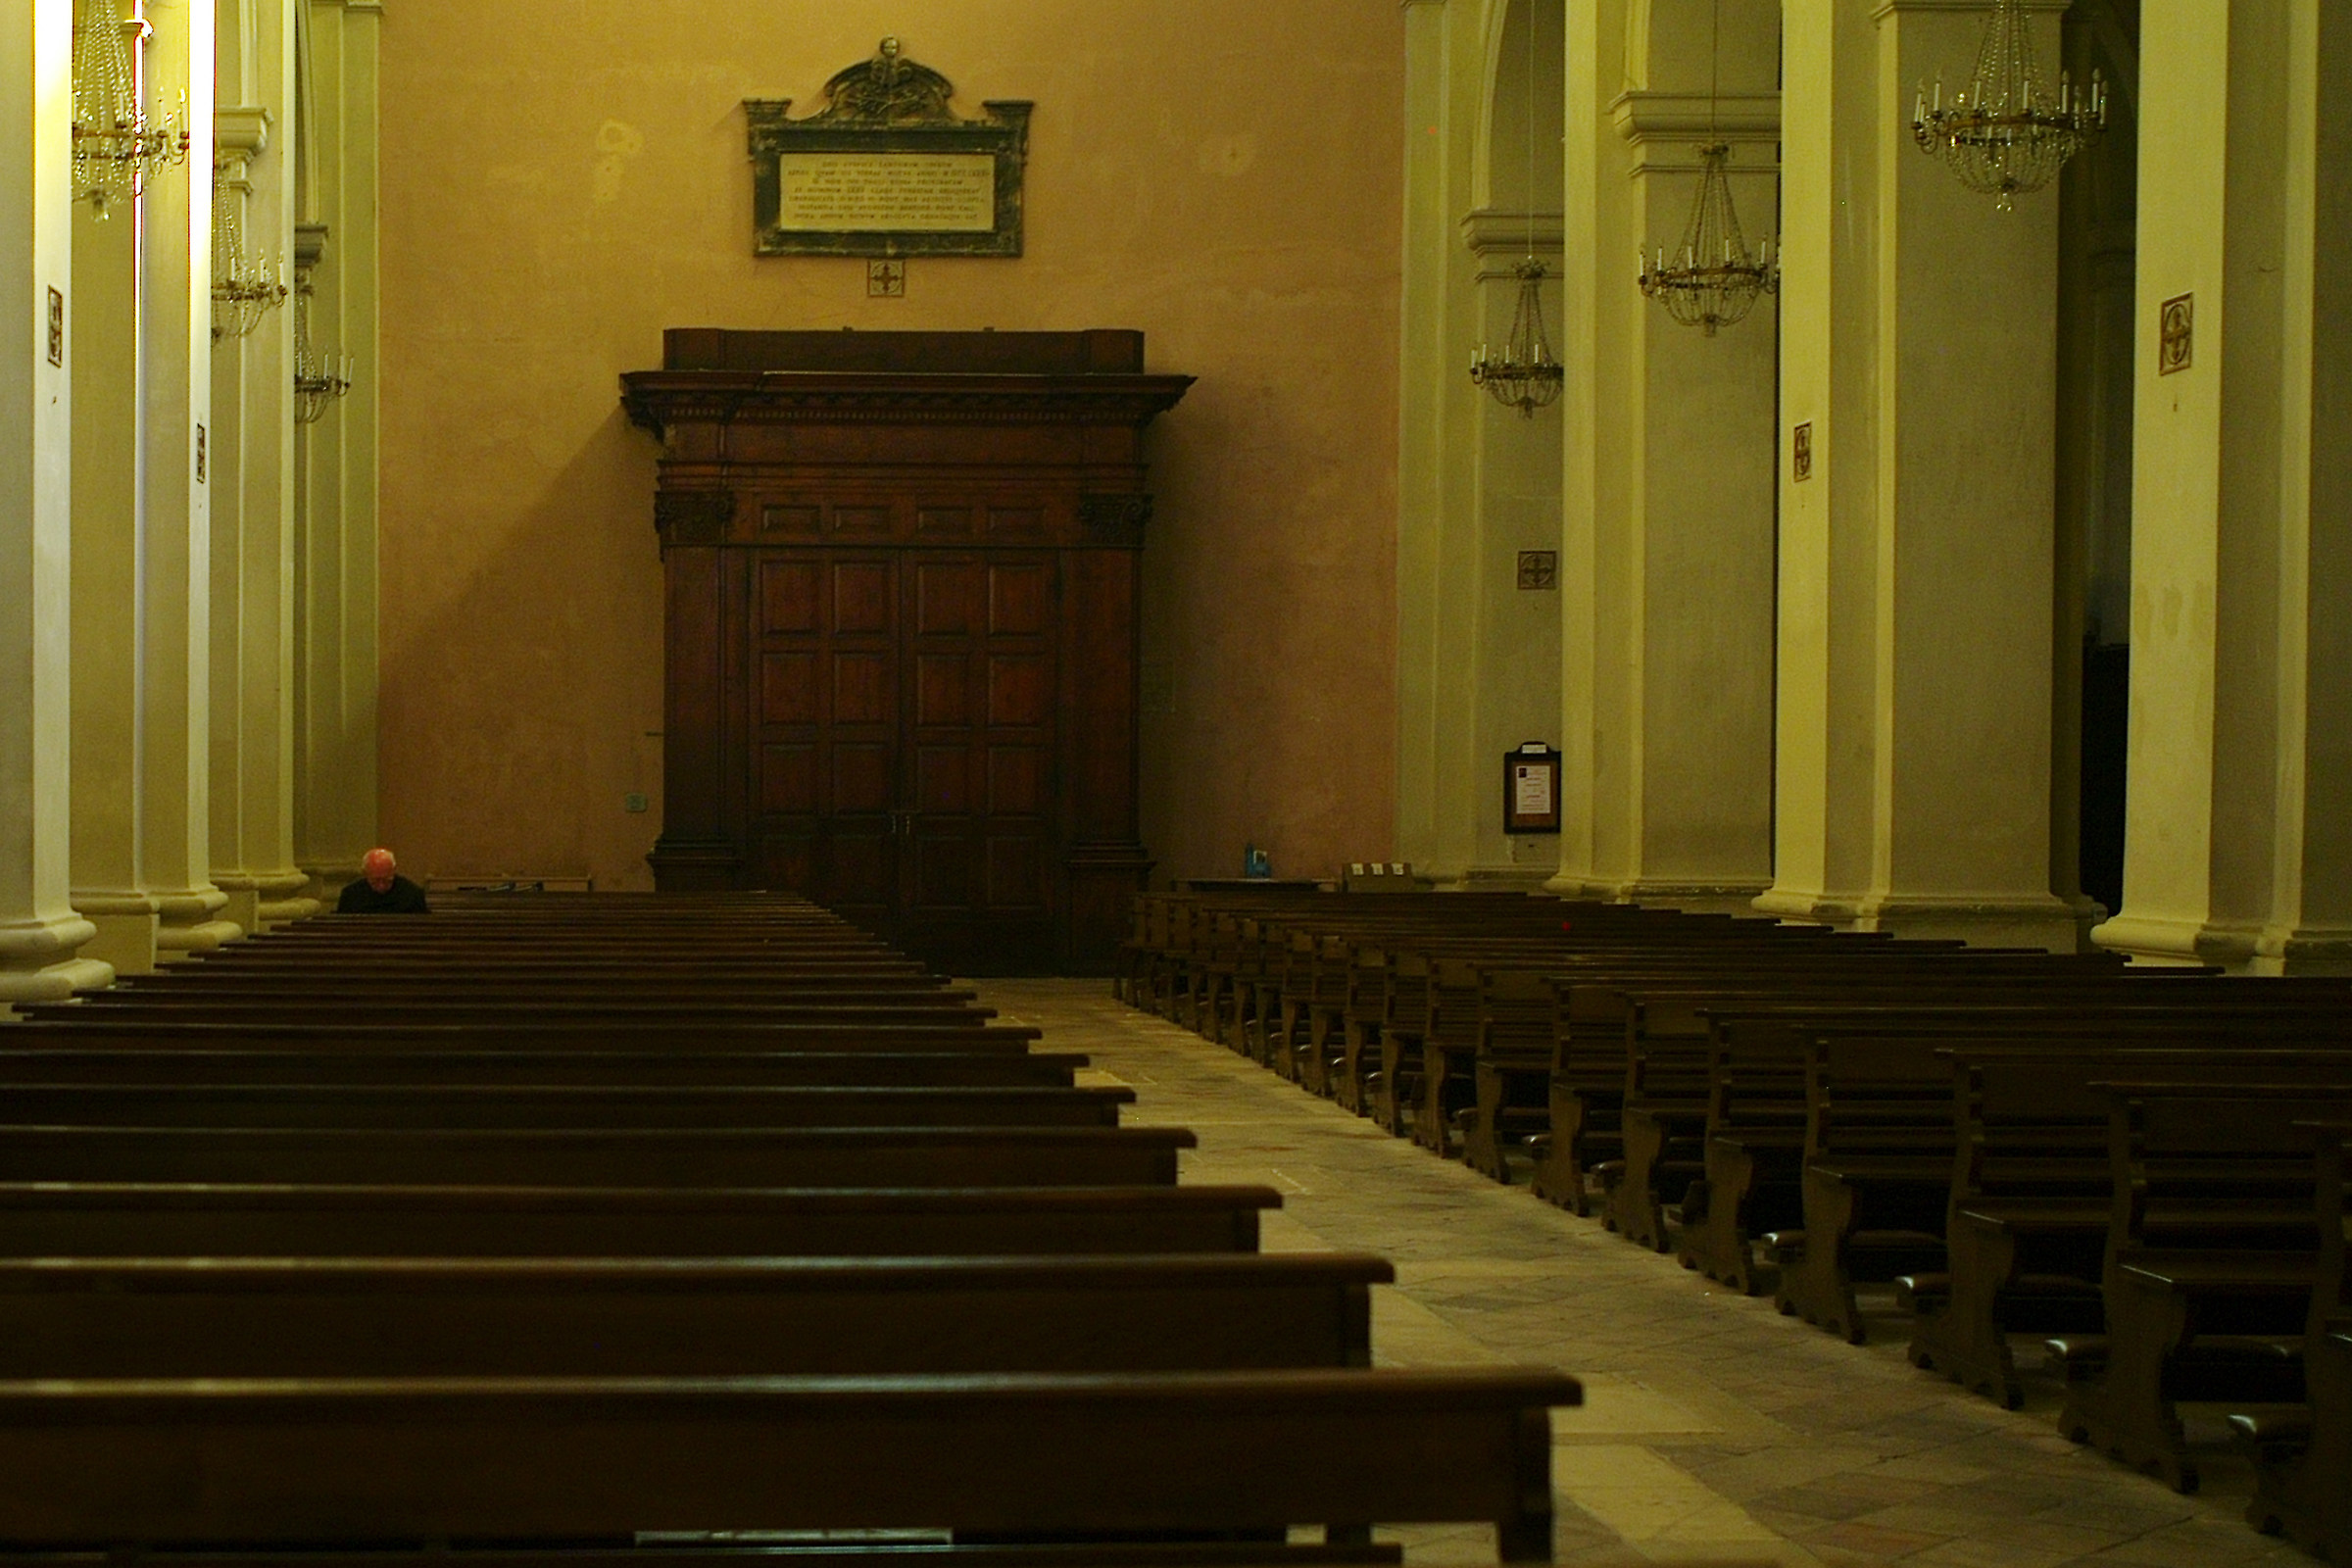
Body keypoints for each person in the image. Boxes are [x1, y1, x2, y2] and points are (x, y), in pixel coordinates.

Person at [337, 847, 430, 913]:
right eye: (375, 881)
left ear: (393, 871)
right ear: (365, 873)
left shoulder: (412, 894)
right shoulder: (350, 895)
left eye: (387, 880)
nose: (381, 886)